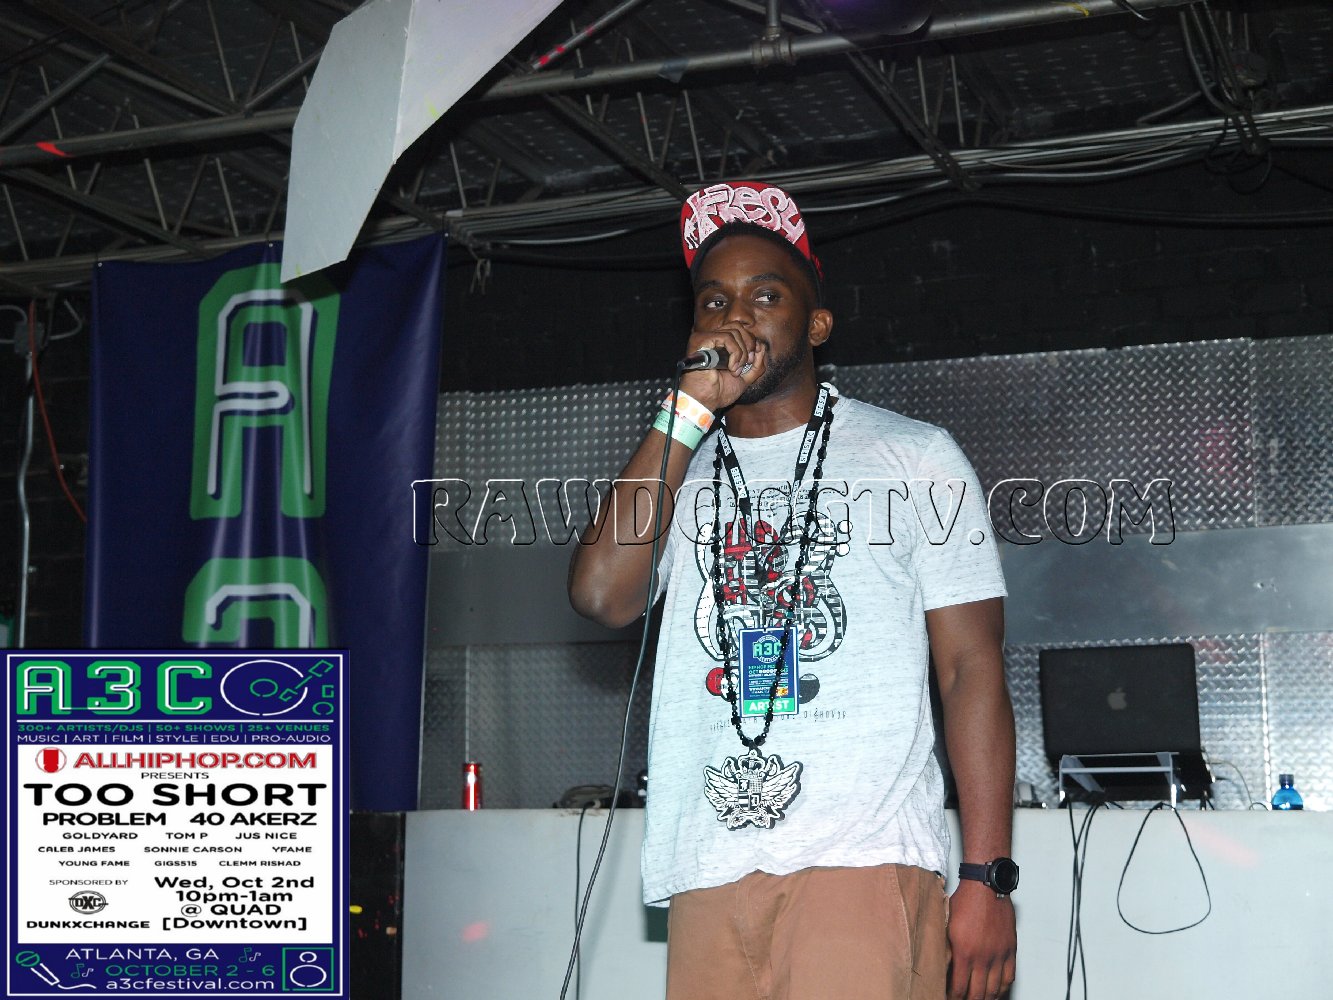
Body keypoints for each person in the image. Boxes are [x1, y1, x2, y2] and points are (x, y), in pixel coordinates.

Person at [568, 180, 1017, 1000]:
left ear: (816, 324)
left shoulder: (913, 456)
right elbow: (601, 596)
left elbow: (970, 669)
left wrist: (987, 876)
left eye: (765, 295)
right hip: (707, 863)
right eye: (713, 301)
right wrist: (683, 415)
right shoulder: (672, 469)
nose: (735, 316)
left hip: (862, 859)